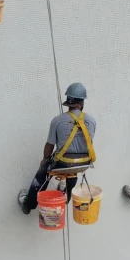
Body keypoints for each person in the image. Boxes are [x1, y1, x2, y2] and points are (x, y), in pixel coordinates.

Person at [19, 83, 96, 214]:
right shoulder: (92, 121)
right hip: (84, 163)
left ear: (69, 103)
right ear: (81, 103)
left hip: (63, 162)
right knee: (74, 168)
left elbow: (49, 145)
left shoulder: (57, 120)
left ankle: (29, 204)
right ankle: (67, 196)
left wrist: (44, 159)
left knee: (43, 173)